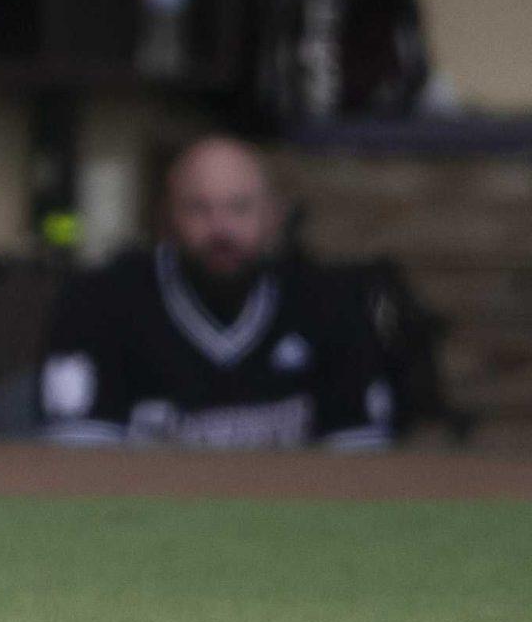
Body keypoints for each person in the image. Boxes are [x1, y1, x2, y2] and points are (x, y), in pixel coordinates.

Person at [36, 136, 394, 449]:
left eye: (239, 208)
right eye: (198, 208)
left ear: (274, 215)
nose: (221, 230)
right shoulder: (99, 302)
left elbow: (360, 452)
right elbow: (80, 457)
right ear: (165, 217)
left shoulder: (330, 303)